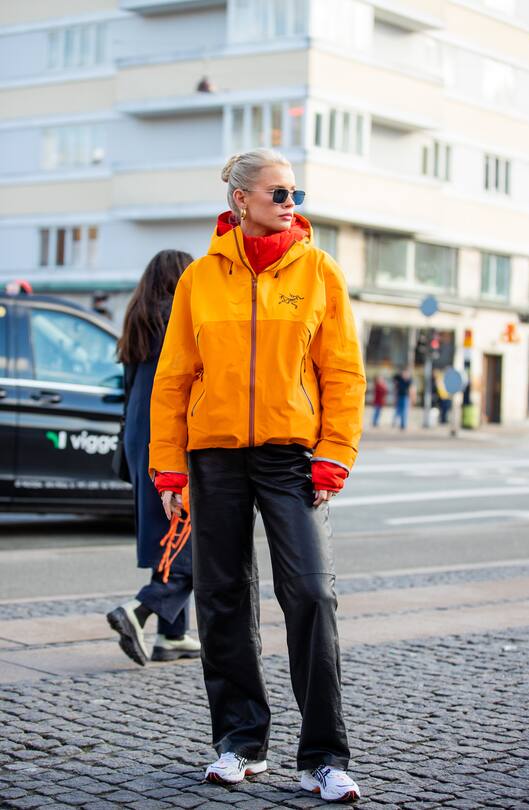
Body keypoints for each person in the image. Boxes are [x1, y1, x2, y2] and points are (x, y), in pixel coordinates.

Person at [149, 149, 366, 803]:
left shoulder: (319, 271)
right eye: (278, 193)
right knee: (222, 598)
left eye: (296, 193)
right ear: (241, 199)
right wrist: (168, 470)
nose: (290, 203)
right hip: (213, 457)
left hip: (291, 457)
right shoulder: (200, 279)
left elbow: (343, 372)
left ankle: (324, 757)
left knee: (312, 594)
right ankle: (240, 743)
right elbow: (173, 378)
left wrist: (335, 452)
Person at [107, 250, 201, 666]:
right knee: (195, 539)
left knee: (168, 534)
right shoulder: (181, 318)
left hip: (138, 437)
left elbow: (129, 389)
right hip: (171, 438)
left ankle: (172, 636)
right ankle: (141, 608)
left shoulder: (138, 321)